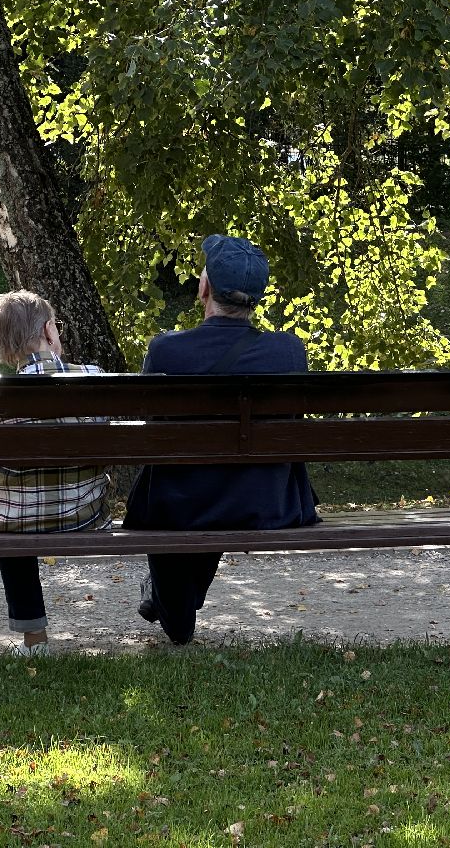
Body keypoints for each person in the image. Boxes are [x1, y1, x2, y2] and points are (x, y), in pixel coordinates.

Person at [125, 234, 319, 644]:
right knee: (221, 481)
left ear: (204, 288)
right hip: (266, 502)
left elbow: (148, 422)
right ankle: (167, 598)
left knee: (193, 488)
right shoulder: (288, 352)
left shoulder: (166, 351)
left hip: (179, 505)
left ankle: (167, 602)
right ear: (256, 297)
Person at [0, 289, 113, 657]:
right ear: (50, 331)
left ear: (3, 347)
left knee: (11, 512)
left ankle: (34, 642)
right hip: (84, 515)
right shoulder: (95, 379)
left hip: (11, 520)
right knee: (15, 506)